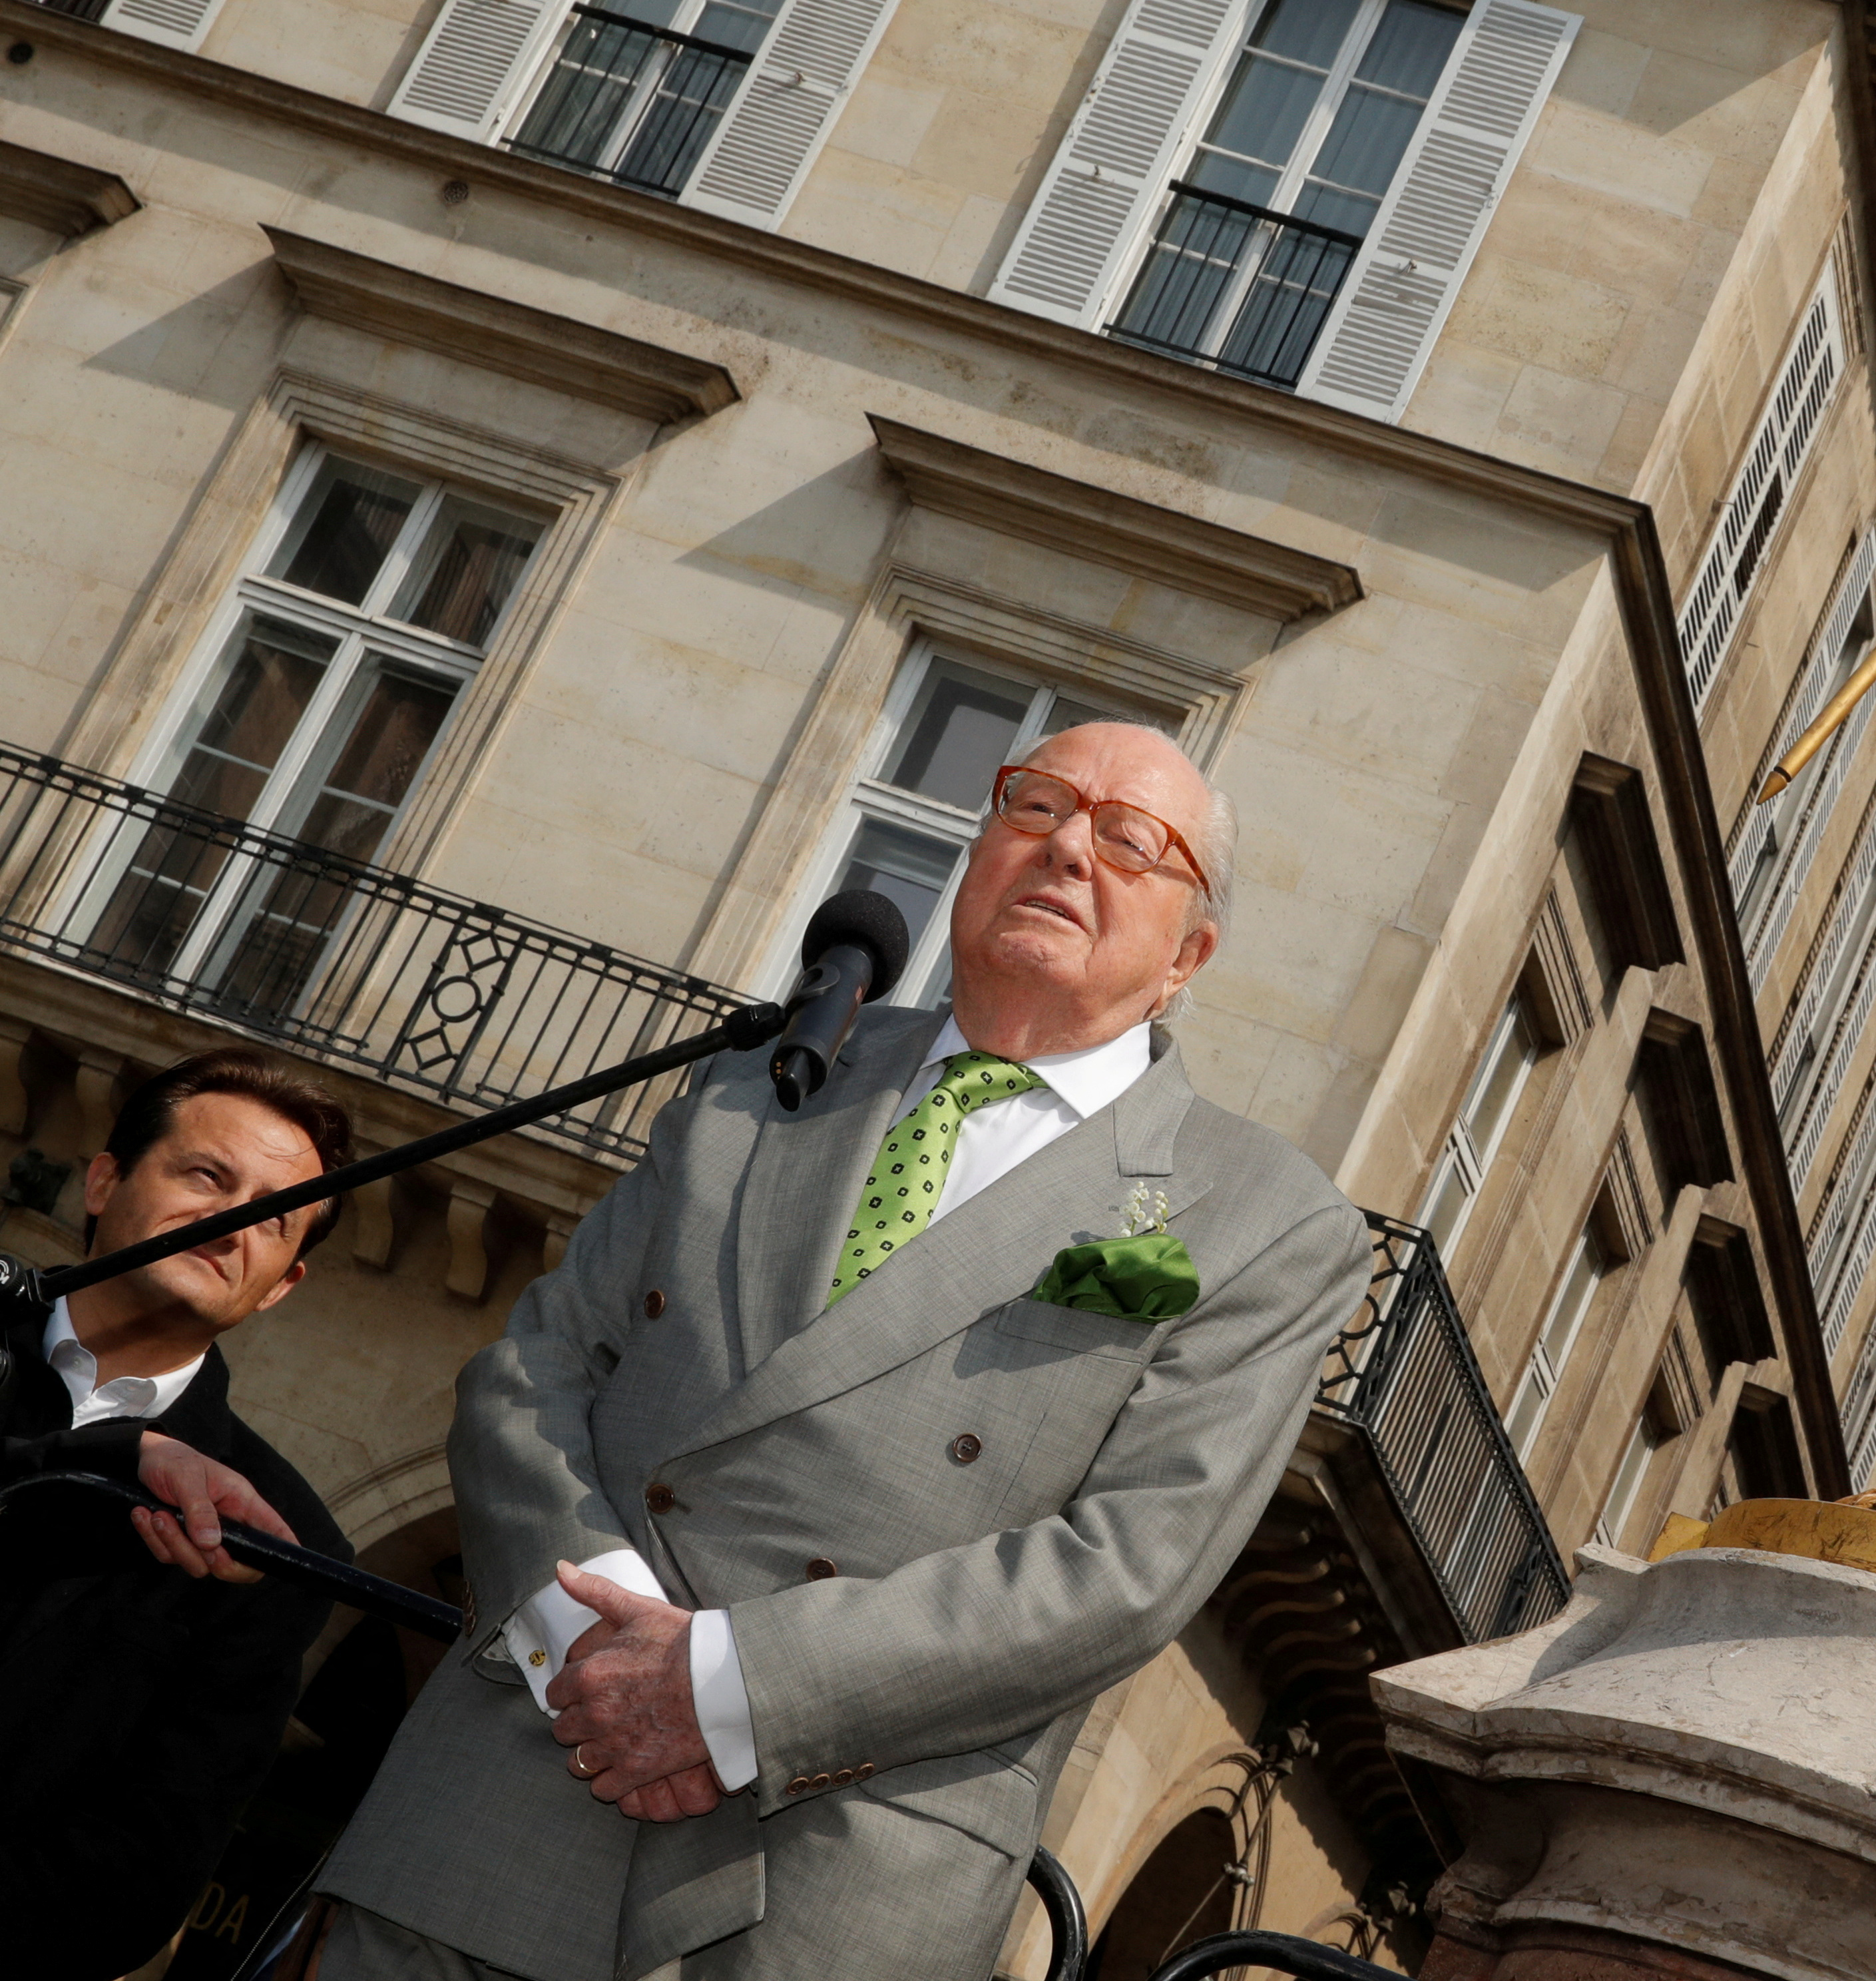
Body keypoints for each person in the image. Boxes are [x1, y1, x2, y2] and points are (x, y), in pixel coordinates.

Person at [317, 720, 1375, 1981]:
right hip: (515, 1794)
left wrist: (728, 1686)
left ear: (1190, 952)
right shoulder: (769, 1074)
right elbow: (531, 1372)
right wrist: (594, 1649)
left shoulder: (1263, 1217)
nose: (1066, 848)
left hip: (829, 1884)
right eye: (1033, 806)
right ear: (976, 855)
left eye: (1130, 839)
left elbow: (1125, 1570)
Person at [1, 1048, 358, 1981]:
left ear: (281, 1284)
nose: (234, 1221)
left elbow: (152, 1857)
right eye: (206, 1174)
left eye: (275, 1220)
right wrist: (116, 1459)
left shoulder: (283, 1537)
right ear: (104, 1180)